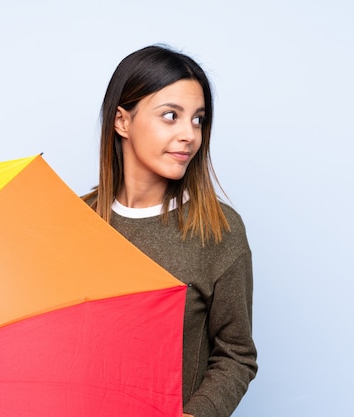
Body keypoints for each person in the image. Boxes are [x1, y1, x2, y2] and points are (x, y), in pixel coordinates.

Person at [82, 45, 257, 417]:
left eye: (197, 119)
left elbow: (236, 355)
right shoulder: (74, 221)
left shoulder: (217, 231)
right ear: (121, 121)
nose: (189, 135)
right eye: (171, 116)